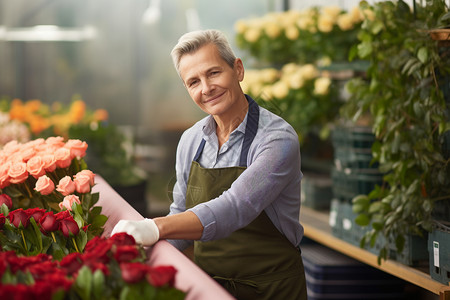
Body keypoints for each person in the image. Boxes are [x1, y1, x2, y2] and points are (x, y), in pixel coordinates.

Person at [112, 29, 307, 300]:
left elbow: (237, 206)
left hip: (271, 288)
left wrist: (154, 227)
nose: (206, 88)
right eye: (193, 82)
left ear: (237, 69)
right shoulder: (191, 140)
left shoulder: (277, 139)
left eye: (214, 73)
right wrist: (139, 257)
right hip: (208, 289)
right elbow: (180, 214)